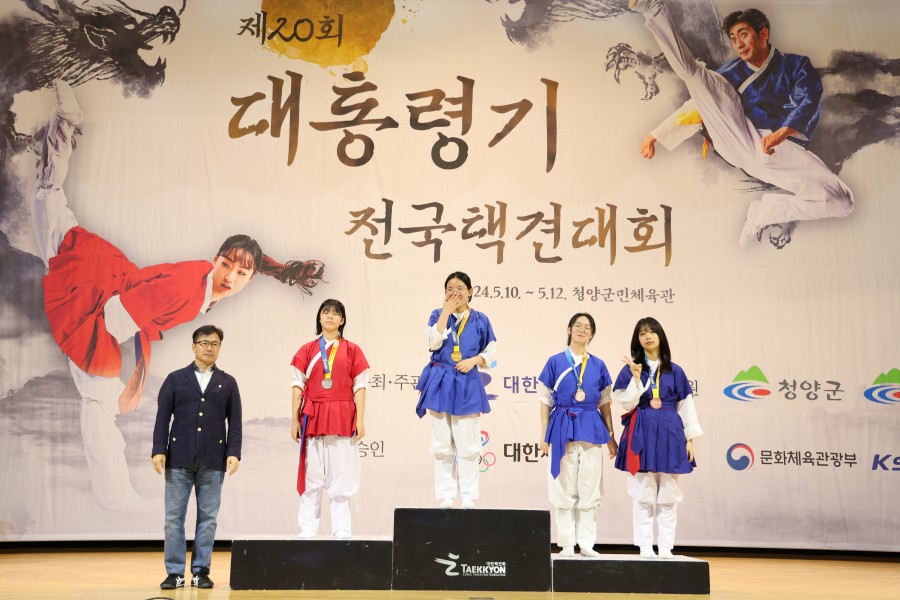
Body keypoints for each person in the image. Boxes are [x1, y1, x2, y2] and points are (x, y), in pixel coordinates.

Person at [31, 80, 324, 511]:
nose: (231, 276)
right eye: (227, 265)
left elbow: (134, 314)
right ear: (216, 259)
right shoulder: (190, 289)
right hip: (93, 287)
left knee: (48, 197)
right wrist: (103, 355)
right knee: (96, 400)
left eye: (242, 272)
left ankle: (65, 122)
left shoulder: (204, 288)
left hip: (97, 268)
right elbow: (117, 315)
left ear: (250, 279)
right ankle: (114, 496)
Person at [629, 0, 853, 248]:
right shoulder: (728, 75)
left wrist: (782, 133)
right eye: (733, 39)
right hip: (739, 139)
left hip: (780, 150)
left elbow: (808, 97)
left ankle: (766, 212)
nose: (738, 44)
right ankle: (653, 9)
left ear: (763, 34)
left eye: (743, 35)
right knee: (695, 75)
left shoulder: (795, 65)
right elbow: (699, 105)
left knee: (842, 202)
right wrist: (657, 134)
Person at [151, 325, 241, 590]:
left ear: (219, 348)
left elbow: (235, 422)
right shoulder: (175, 379)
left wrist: (233, 452)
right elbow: (162, 418)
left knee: (208, 519)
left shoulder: (228, 382)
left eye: (214, 344)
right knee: (173, 519)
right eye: (204, 343)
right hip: (178, 458)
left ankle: (201, 571)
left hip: (213, 460)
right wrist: (158, 449)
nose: (209, 348)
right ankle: (175, 572)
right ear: (193, 346)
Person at [613, 317, 702, 559]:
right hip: (641, 430)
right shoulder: (631, 368)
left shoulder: (675, 370)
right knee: (642, 493)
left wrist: (690, 439)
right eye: (642, 333)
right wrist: (635, 379)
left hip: (670, 433)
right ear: (637, 339)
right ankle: (645, 547)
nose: (648, 336)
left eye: (652, 332)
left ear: (660, 336)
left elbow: (685, 405)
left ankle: (665, 548)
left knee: (668, 495)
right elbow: (625, 402)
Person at [538, 313, 617, 558]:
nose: (582, 330)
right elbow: (545, 401)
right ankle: (566, 544)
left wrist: (611, 436)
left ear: (592, 334)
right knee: (563, 486)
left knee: (590, 486)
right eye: (578, 326)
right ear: (569, 329)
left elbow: (605, 402)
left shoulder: (598, 365)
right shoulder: (554, 362)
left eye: (587, 327)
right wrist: (544, 435)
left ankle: (586, 543)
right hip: (562, 425)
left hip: (591, 426)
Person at [415, 271, 497, 509]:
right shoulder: (437, 314)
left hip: (467, 381)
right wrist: (445, 312)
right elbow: (433, 342)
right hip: (440, 381)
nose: (455, 293)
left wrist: (474, 361)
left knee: (469, 444)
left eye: (460, 288)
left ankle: (468, 495)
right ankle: (447, 495)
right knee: (442, 443)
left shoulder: (480, 319)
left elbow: (491, 352)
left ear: (470, 292)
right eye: (450, 289)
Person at [290, 299, 369, 539]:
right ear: (319, 317)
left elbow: (360, 387)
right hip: (313, 416)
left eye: (336, 313)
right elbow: (297, 386)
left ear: (342, 320)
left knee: (341, 474)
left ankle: (341, 527)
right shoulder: (307, 350)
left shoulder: (353, 350)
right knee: (312, 474)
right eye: (326, 312)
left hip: (343, 416)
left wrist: (360, 420)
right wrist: (295, 420)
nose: (330, 316)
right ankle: (308, 528)